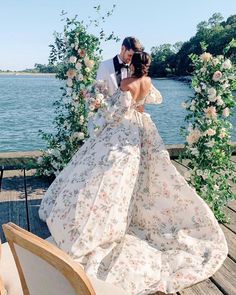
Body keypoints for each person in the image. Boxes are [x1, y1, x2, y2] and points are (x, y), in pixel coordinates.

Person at [39, 52, 228, 295]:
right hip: (141, 129)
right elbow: (142, 106)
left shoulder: (126, 83)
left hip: (122, 130)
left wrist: (102, 110)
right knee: (141, 172)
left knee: (105, 172)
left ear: (132, 65)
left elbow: (117, 112)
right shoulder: (148, 82)